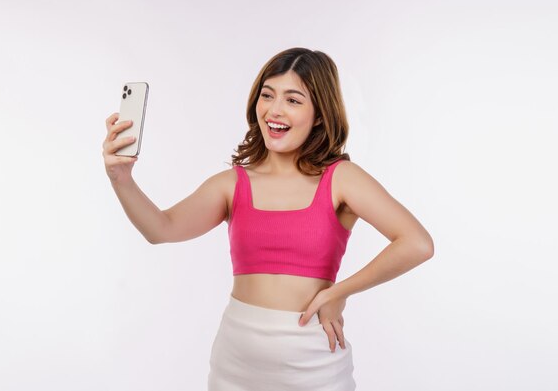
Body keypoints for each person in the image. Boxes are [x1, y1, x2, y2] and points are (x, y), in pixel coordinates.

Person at [102, 47, 434, 391]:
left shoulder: (341, 178)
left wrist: (339, 293)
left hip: (315, 366)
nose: (274, 110)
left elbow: (417, 243)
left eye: (293, 100)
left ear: (319, 114)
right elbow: (160, 229)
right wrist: (121, 179)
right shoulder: (232, 183)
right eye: (267, 95)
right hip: (236, 363)